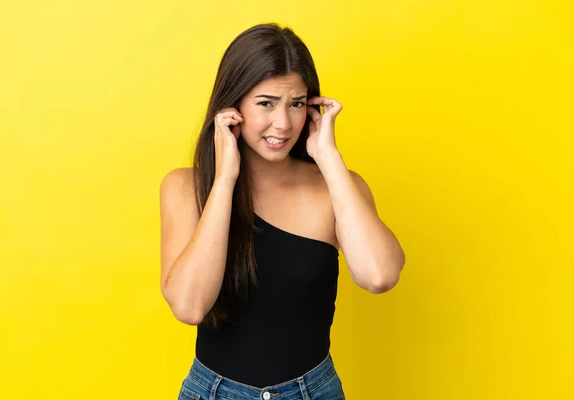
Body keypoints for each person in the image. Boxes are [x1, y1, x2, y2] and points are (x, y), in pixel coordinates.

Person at [159, 23, 405, 400]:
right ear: (233, 106)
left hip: (314, 391)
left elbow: (379, 275)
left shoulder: (338, 187)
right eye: (265, 103)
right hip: (214, 393)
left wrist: (329, 158)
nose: (283, 123)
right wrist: (225, 179)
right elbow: (190, 306)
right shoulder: (185, 187)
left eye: (297, 104)